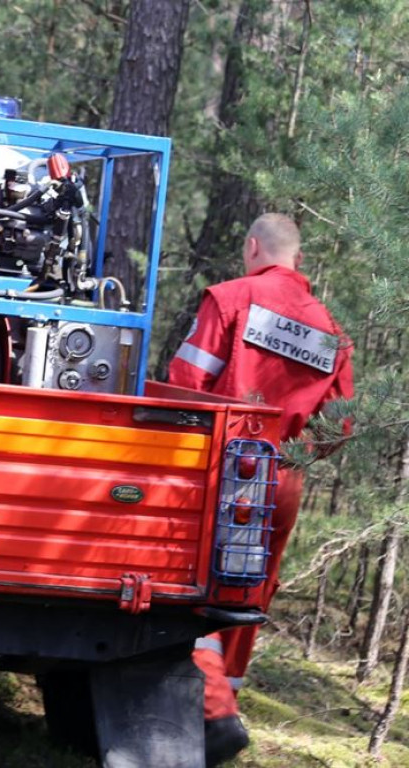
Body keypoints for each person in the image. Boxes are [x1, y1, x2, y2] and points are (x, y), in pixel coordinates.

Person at [167, 213, 354, 766]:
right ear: (296, 258)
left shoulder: (230, 298)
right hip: (282, 475)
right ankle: (227, 700)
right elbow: (338, 427)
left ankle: (210, 712)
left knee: (193, 579)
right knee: (248, 591)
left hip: (221, 465)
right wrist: (291, 453)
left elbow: (186, 386)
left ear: (252, 247)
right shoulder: (332, 332)